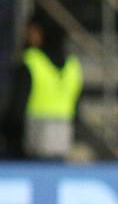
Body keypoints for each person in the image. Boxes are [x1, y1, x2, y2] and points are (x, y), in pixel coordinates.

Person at [4, 14, 82, 161]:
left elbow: (16, 109)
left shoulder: (31, 62)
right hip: (61, 140)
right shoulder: (73, 65)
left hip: (30, 141)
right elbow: (77, 108)